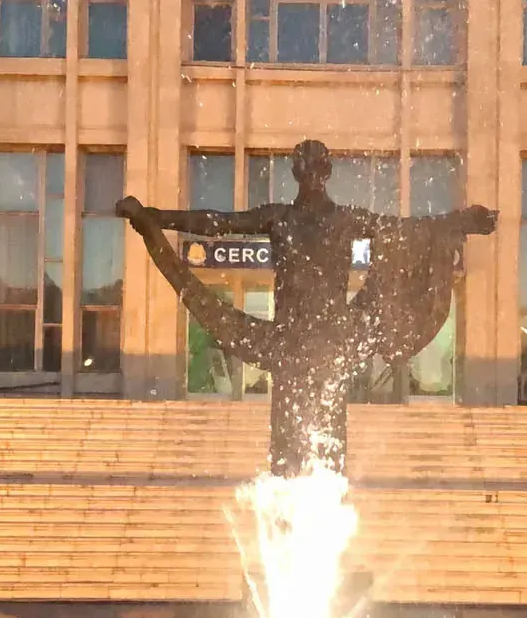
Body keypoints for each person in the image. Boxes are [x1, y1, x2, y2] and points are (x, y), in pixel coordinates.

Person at [117, 139, 496, 474]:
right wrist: (154, 217)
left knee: (323, 447)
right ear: (303, 172)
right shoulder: (285, 217)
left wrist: (460, 221)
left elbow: (409, 231)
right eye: (309, 168)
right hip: (299, 343)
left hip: (318, 343)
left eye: (316, 167)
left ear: (320, 172)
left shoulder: (330, 218)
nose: (313, 174)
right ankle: (295, 514)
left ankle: (315, 512)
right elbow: (215, 222)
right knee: (297, 447)